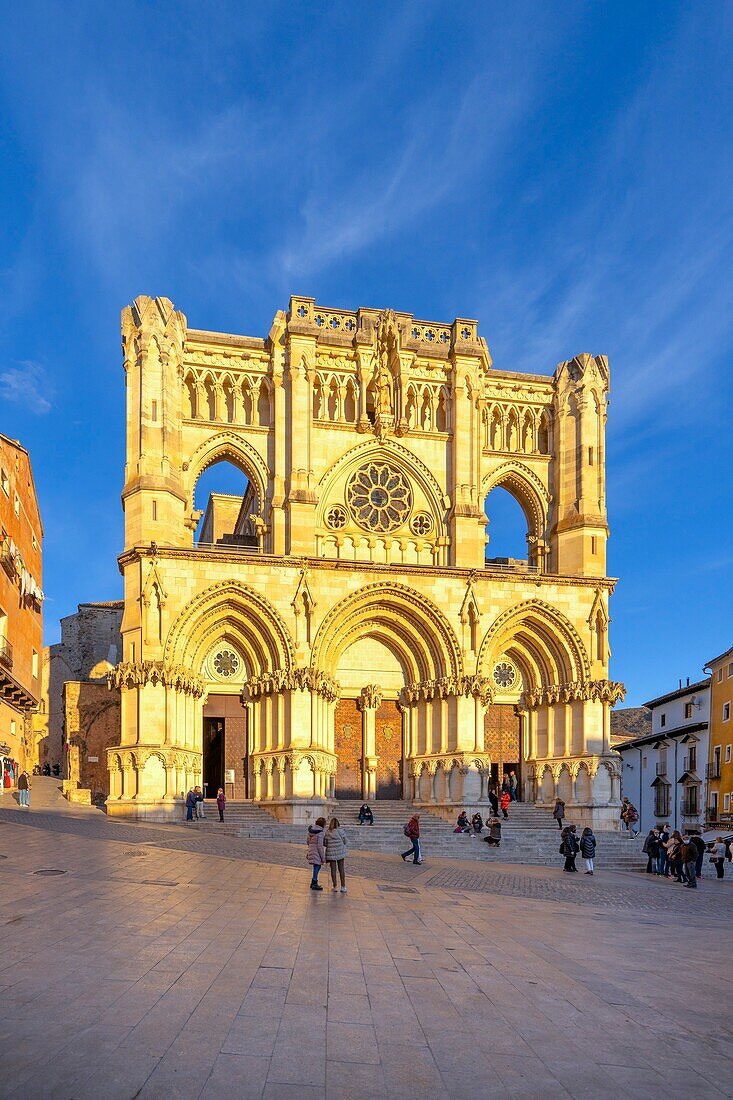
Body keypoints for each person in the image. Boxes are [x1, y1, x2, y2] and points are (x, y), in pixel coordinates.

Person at [325, 817, 348, 893]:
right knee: (341, 869)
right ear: (338, 824)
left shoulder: (328, 832)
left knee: (333, 870)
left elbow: (325, 843)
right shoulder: (341, 831)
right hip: (340, 852)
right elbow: (345, 841)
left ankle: (335, 886)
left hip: (331, 853)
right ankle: (343, 886)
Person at [307, 816, 327, 890]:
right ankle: (314, 882)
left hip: (311, 850)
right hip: (317, 852)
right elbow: (320, 846)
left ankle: (314, 882)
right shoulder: (320, 833)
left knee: (316, 866)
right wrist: (323, 857)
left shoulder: (311, 831)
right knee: (317, 866)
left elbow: (308, 842)